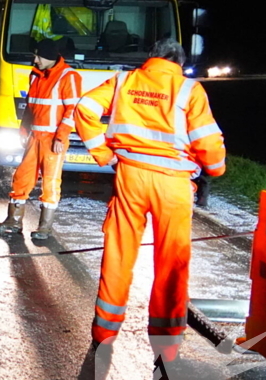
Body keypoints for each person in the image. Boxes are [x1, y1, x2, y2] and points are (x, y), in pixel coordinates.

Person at [74, 38, 226, 362]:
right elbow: (208, 144)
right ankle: (166, 345)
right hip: (173, 185)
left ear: (151, 58)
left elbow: (84, 108)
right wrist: (215, 168)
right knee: (172, 262)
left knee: (118, 253)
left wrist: (103, 154)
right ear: (179, 63)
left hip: (129, 176)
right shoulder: (189, 90)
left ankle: (104, 333)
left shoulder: (123, 80)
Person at [0, 38, 82, 240]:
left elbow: (73, 111)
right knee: (22, 178)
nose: (35, 59)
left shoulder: (68, 76)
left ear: (48, 56)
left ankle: (44, 228)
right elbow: (31, 105)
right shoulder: (36, 75)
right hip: (35, 137)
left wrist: (61, 136)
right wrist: (24, 130)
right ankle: (13, 222)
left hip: (53, 140)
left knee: (50, 182)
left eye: (38, 55)